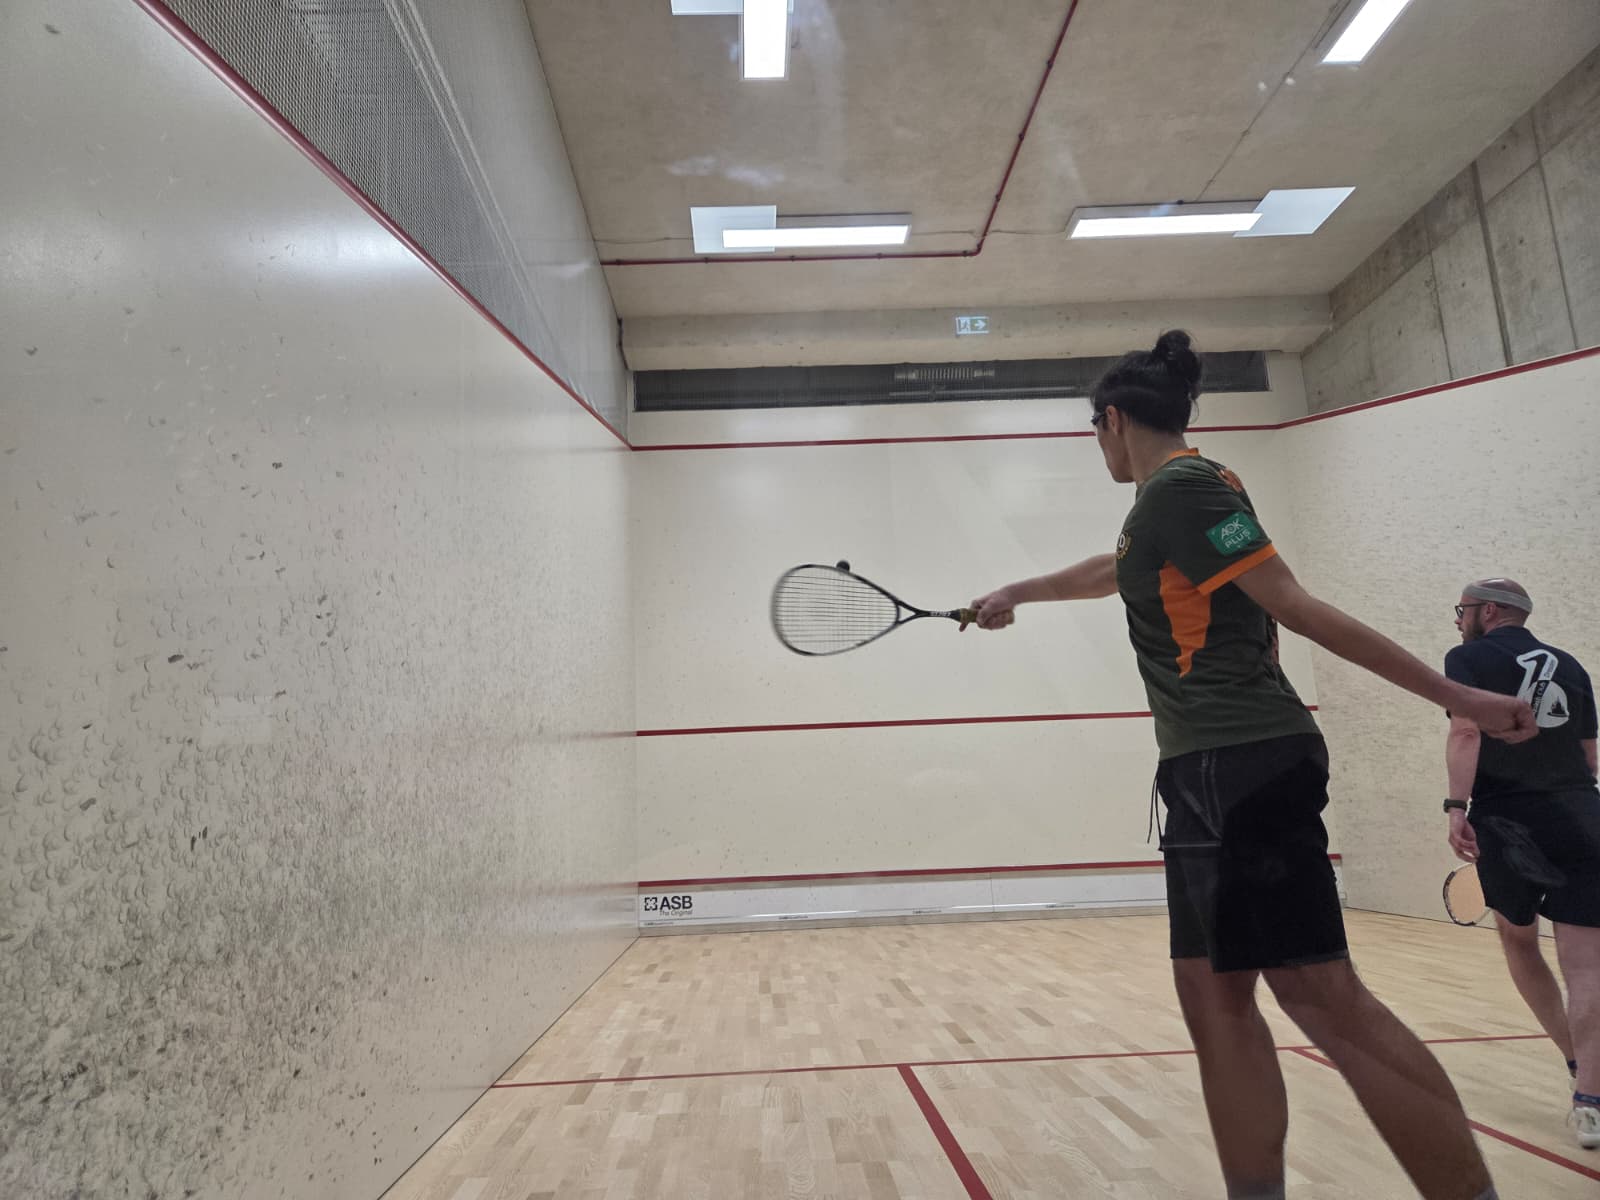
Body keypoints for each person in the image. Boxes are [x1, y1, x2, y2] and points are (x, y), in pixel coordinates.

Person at [969, 330, 1534, 1200]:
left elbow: (1294, 604)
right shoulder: (1173, 499)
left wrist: (1455, 696)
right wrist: (1021, 592)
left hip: (1245, 767)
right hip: (1206, 774)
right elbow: (1120, 568)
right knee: (1212, 996)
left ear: (1112, 420)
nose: (1097, 447)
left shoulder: (1184, 489)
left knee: (1323, 998)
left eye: (1094, 432)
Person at [1442, 578, 1600, 1148]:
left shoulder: (1466, 657)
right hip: (1582, 815)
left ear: (1487, 611)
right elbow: (1589, 758)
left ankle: (1576, 1062)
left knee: (1519, 941)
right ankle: (1591, 1101)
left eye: (1462, 610)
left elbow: (1465, 731)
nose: (1458, 620)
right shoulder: (1572, 665)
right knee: (1587, 968)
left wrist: (1456, 807)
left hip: (1508, 820)